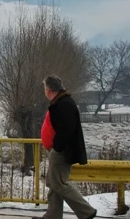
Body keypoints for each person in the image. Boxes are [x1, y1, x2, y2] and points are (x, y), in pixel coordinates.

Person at [33, 75, 97, 219]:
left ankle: (87, 211)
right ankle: (53, 216)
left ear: (49, 90)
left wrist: (57, 147)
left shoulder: (64, 103)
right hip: (59, 150)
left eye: (45, 88)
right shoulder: (61, 101)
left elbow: (66, 129)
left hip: (61, 152)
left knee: (59, 184)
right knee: (53, 182)